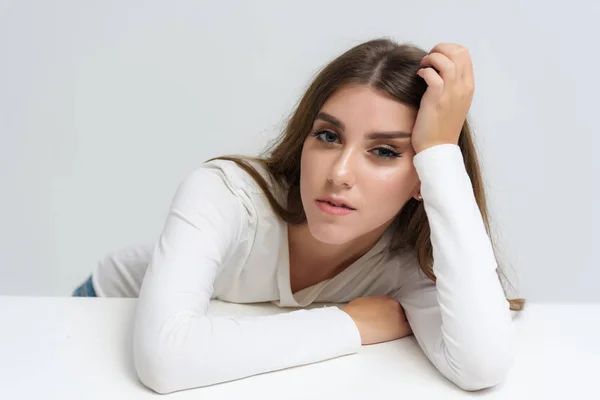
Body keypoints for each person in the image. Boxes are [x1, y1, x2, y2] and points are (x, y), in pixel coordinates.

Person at [73, 38, 525, 393]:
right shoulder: (227, 193)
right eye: (328, 136)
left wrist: (442, 154)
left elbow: (481, 366)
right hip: (103, 314)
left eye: (384, 151)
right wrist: (349, 323)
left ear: (421, 179)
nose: (340, 173)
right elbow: (163, 359)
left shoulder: (406, 260)